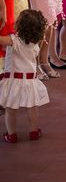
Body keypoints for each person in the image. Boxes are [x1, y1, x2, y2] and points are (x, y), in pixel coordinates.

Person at [0, 10, 50, 144]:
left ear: (19, 26)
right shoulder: (36, 44)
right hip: (30, 81)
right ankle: (33, 131)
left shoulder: (13, 41)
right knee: (32, 107)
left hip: (14, 81)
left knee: (10, 109)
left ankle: (12, 135)